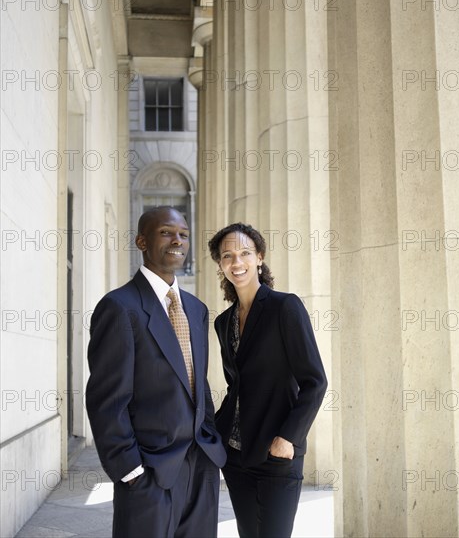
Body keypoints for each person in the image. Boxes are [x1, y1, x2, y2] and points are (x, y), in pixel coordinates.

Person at [86, 206, 226, 538]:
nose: (177, 240)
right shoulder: (120, 307)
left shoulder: (196, 308)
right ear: (142, 241)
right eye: (166, 232)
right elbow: (107, 400)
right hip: (149, 472)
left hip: (201, 468)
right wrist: (129, 469)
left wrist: (210, 441)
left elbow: (197, 384)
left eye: (184, 234)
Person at [208, 223, 328, 538]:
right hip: (235, 456)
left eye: (245, 253)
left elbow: (315, 381)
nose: (237, 262)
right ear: (221, 265)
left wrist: (288, 439)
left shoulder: (285, 307)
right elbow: (237, 386)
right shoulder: (224, 322)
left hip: (277, 453)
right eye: (228, 256)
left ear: (259, 257)